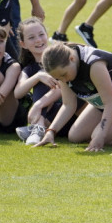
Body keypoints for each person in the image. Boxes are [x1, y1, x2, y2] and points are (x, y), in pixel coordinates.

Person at [34, 40, 112, 152]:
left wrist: (101, 135)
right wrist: (51, 131)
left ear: (72, 59)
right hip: (107, 100)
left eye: (64, 75)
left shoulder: (94, 64)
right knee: (75, 136)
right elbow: (68, 104)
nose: (63, 80)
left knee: (99, 136)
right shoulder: (64, 70)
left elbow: (110, 102)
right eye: (59, 78)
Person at [14, 17, 68, 146]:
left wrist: (38, 105)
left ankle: (37, 128)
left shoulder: (60, 56)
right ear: (23, 44)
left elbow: (63, 87)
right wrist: (37, 76)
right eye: (31, 38)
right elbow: (18, 93)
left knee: (44, 76)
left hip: (71, 110)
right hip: (54, 116)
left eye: (41, 35)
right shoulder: (30, 68)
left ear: (47, 35)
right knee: (40, 77)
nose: (38, 40)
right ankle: (39, 127)